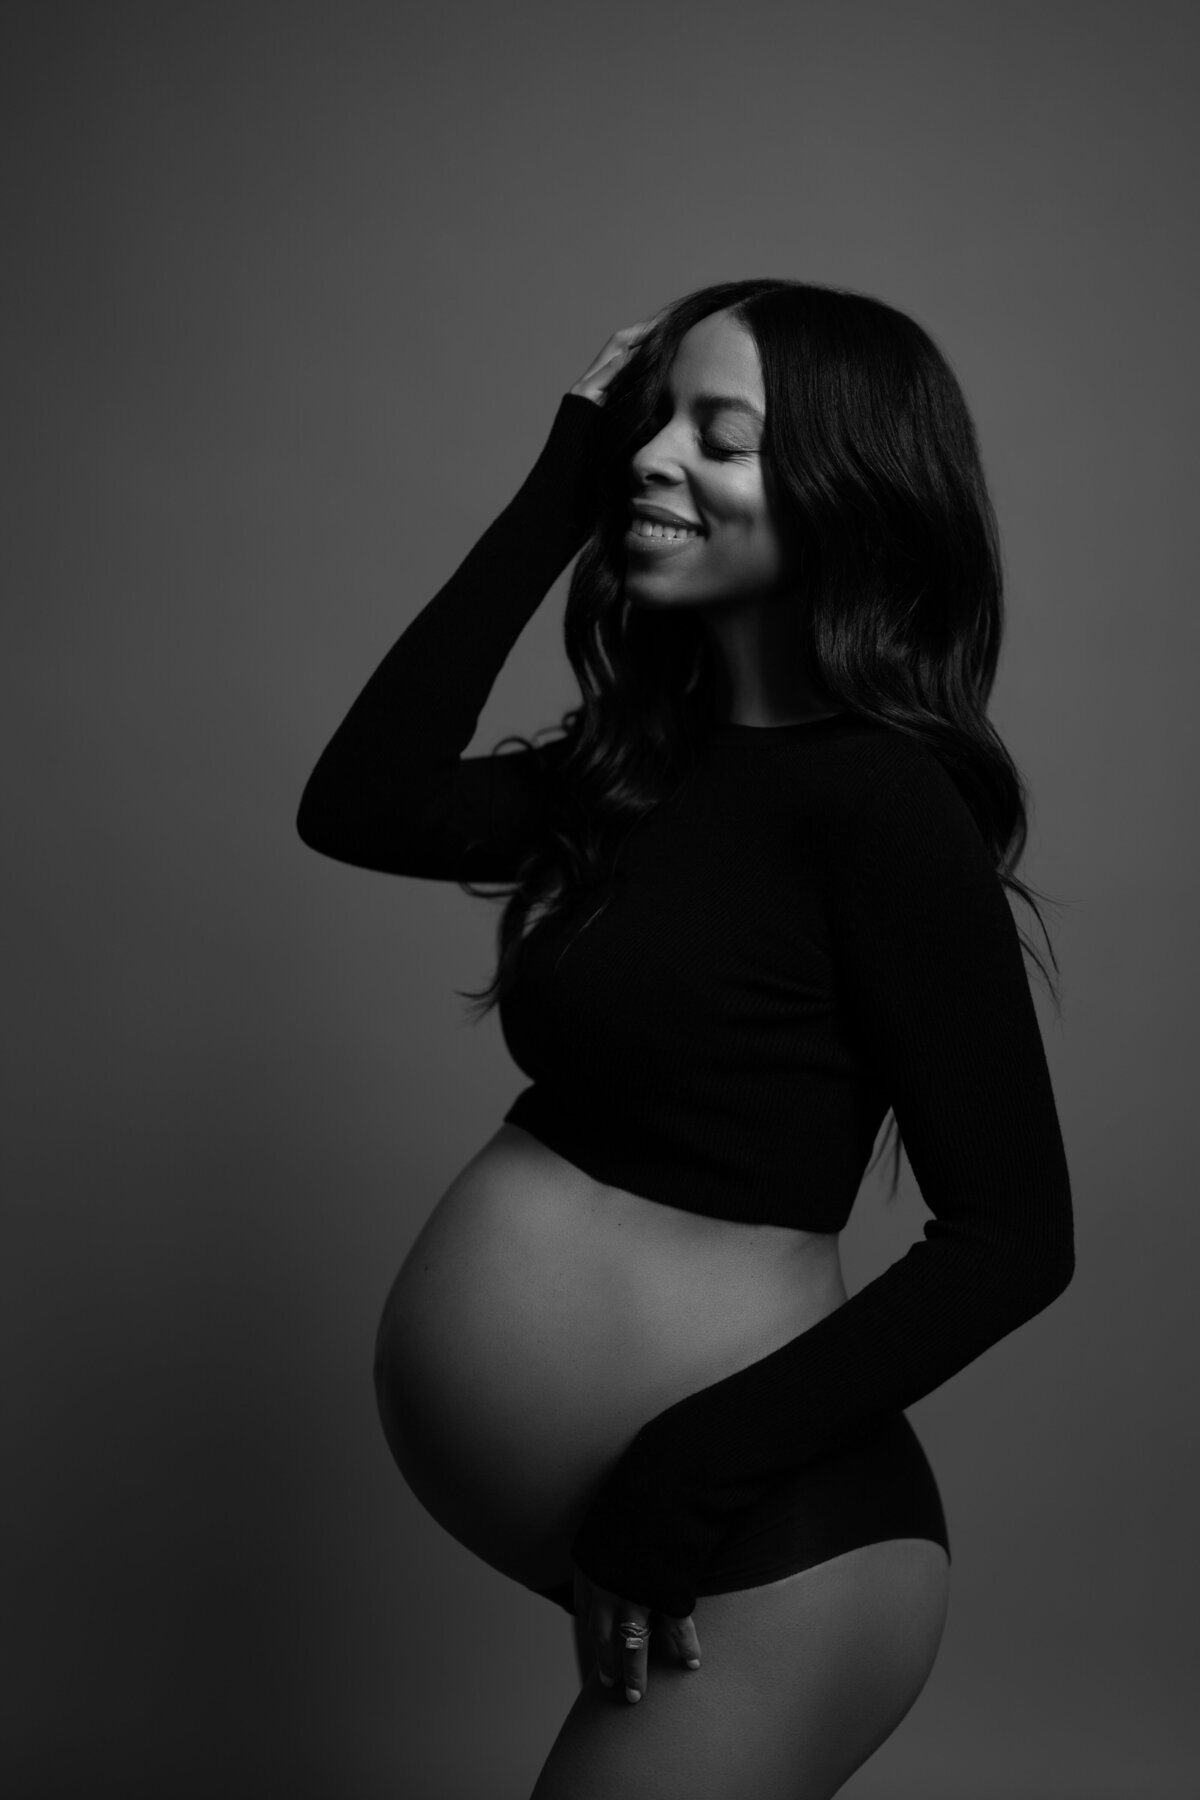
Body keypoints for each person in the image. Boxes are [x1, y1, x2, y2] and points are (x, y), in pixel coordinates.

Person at [296, 279, 1075, 1799]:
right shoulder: (643, 766)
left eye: (719, 439)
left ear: (848, 494)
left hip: (770, 1560)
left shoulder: (882, 809)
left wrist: (679, 1480)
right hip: (696, 1540)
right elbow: (361, 802)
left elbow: (1018, 1235)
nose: (657, 459)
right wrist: (555, 491)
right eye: (655, 426)